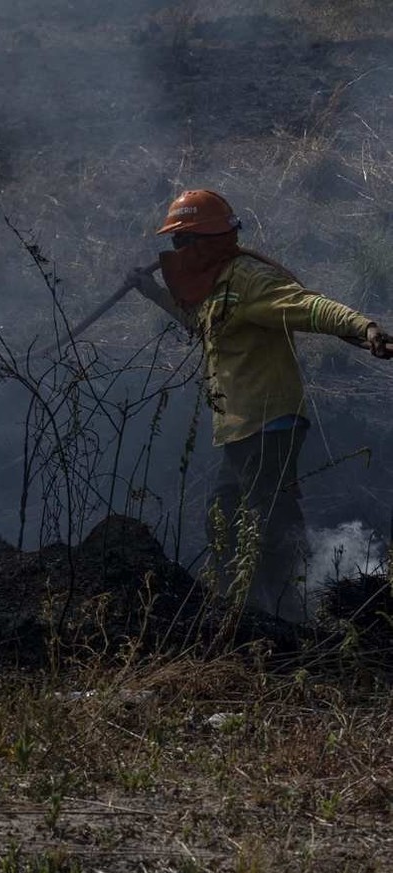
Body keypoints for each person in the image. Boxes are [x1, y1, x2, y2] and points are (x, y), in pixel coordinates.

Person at [128, 188, 393, 616]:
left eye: (182, 242)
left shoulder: (250, 278)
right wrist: (152, 292)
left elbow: (308, 305)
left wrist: (364, 327)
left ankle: (288, 610)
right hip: (240, 427)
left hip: (270, 422)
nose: (176, 251)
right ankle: (248, 609)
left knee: (268, 517)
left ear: (206, 241)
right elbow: (203, 324)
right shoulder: (217, 286)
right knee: (228, 514)